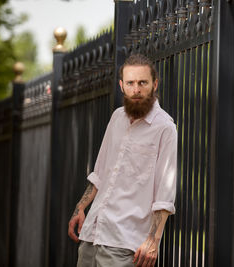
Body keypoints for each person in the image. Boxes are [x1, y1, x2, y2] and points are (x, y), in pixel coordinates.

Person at [68, 54, 177, 267]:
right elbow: (100, 173)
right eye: (130, 83)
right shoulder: (117, 118)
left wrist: (153, 240)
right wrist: (80, 208)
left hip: (124, 243)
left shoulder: (165, 128)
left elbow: (165, 193)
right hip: (93, 234)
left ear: (154, 84)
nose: (136, 89)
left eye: (142, 83)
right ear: (121, 86)